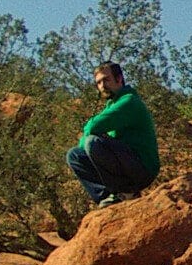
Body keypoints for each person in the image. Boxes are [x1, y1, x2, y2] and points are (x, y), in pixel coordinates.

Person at [66, 61, 159, 208]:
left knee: (93, 143)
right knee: (75, 155)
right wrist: (86, 140)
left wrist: (88, 137)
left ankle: (126, 192)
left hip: (142, 167)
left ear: (119, 79)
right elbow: (88, 136)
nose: (102, 86)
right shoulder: (112, 105)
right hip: (126, 162)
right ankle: (107, 198)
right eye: (99, 83)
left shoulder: (129, 101)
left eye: (106, 80)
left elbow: (93, 126)